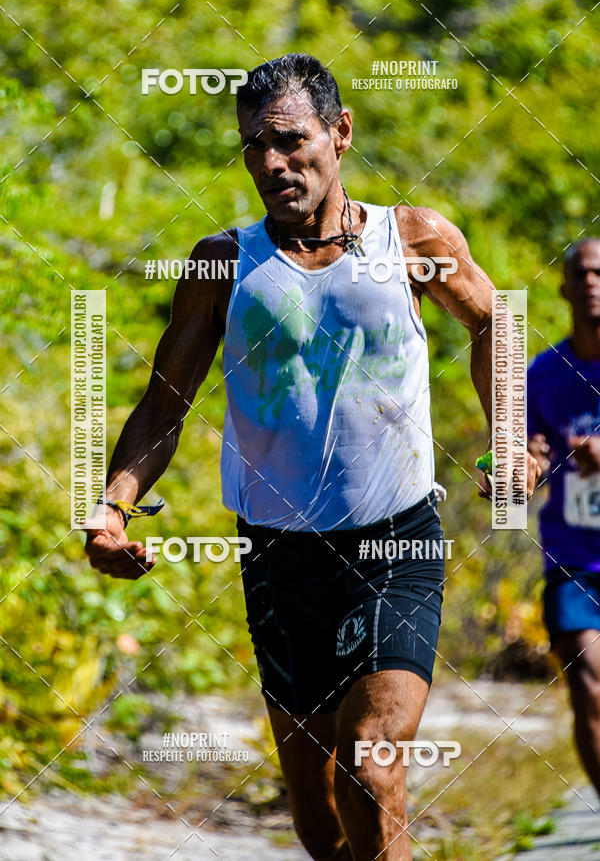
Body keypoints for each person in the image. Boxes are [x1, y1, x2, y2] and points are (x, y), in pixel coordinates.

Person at [86, 52, 540, 860]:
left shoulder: (413, 237)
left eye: (290, 140)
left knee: (371, 767)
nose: (272, 162)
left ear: (341, 133)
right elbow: (165, 401)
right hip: (276, 554)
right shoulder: (224, 262)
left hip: (394, 542)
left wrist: (511, 436)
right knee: (317, 813)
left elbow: (492, 321)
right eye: (254, 146)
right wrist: (112, 505)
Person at [528, 237, 600, 799]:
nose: (592, 282)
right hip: (574, 558)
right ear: (565, 287)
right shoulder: (543, 374)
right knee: (588, 686)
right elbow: (518, 450)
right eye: (582, 273)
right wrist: (524, 462)